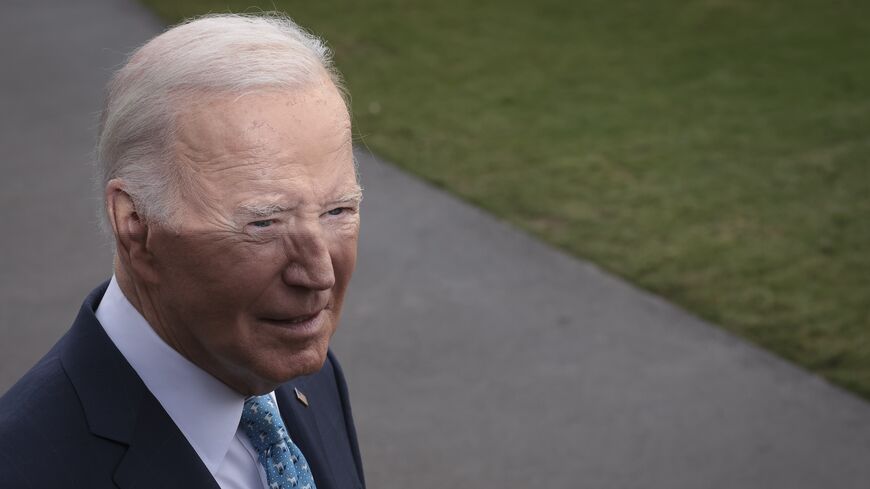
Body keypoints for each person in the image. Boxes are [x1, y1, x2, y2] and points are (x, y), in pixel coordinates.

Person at [0, 14, 365, 489]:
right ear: (135, 225)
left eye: (338, 210)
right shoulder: (24, 469)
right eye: (263, 222)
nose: (319, 275)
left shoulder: (301, 372)